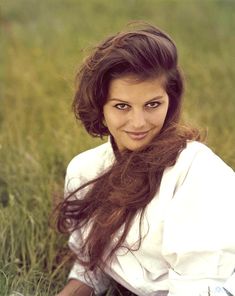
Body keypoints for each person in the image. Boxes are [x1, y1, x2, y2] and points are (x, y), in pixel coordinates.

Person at [55, 23, 235, 296]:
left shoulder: (196, 171)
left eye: (152, 104)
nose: (138, 123)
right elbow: (90, 271)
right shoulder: (85, 170)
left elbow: (198, 288)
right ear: (100, 107)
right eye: (121, 106)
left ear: (170, 101)